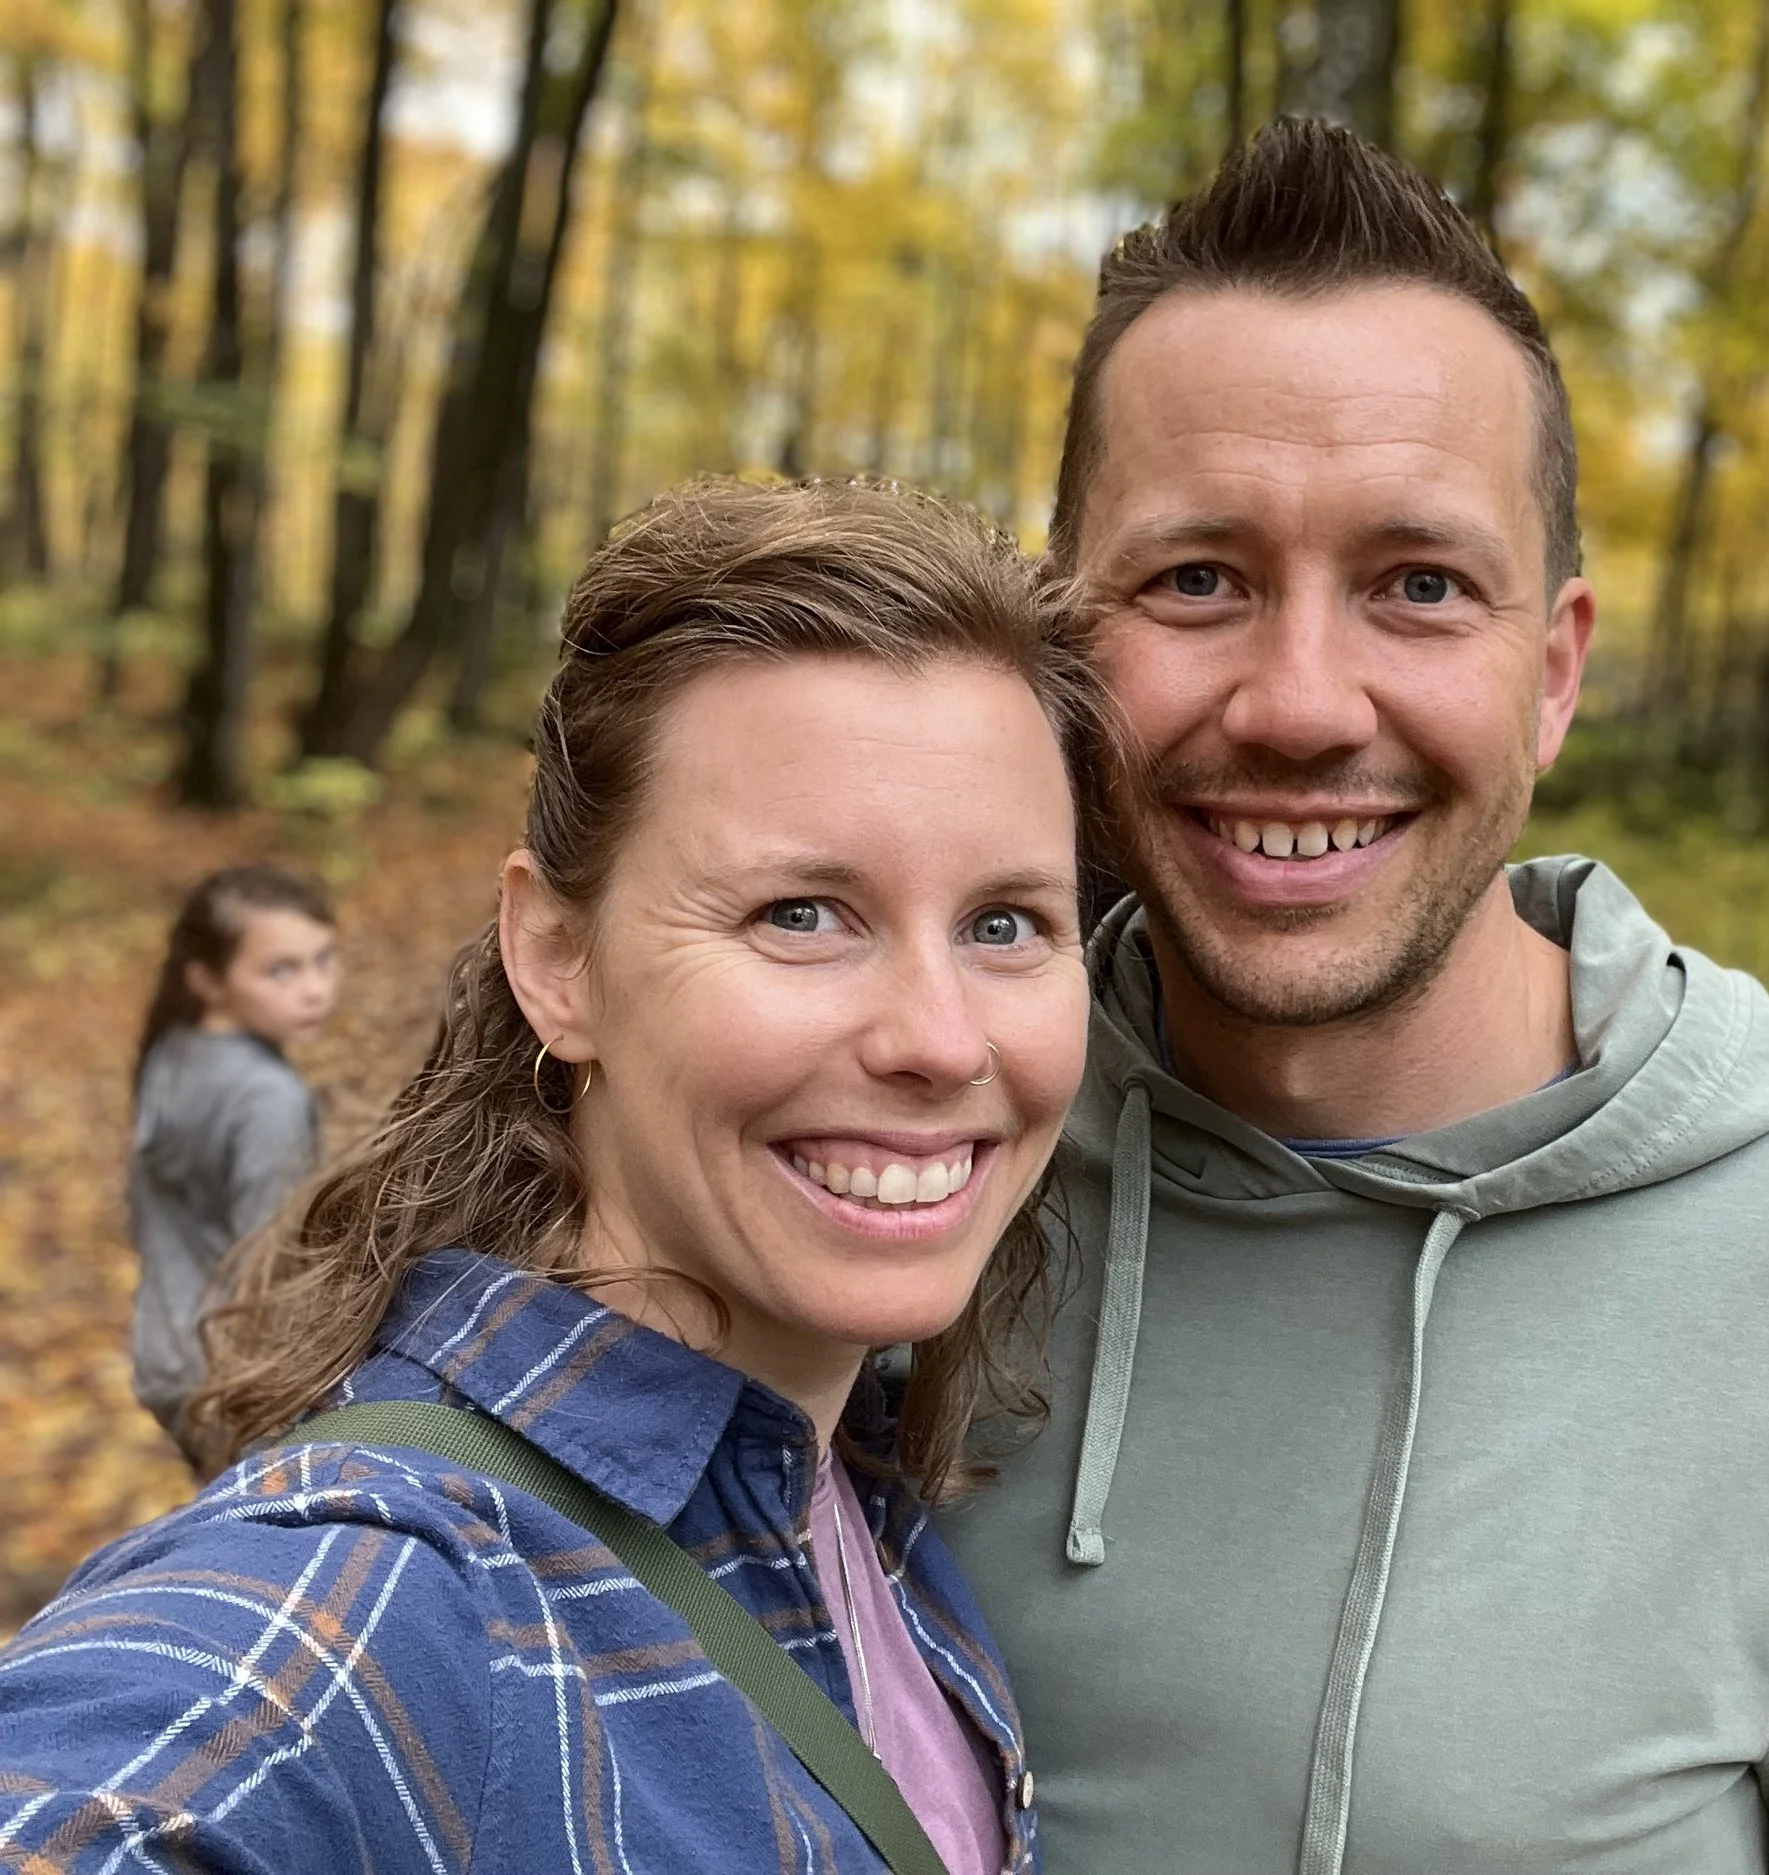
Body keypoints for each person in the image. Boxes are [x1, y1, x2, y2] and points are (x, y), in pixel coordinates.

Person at [938, 120, 1769, 1873]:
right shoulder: (913, 1166)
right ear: (1064, 643)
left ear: (1551, 672)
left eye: (1417, 585)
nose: (1302, 700)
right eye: (1196, 579)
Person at [0, 479, 1106, 1875]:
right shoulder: (389, 1599)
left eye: (1006, 920)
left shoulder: (855, 1478)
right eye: (803, 914)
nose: (941, 1038)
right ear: (557, 960)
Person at [127, 862, 338, 1463]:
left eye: (324, 959)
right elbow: (271, 1269)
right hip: (235, 1380)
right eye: (281, 971)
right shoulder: (268, 1098)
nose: (316, 988)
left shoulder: (172, 1050)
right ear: (207, 981)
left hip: (168, 1350)